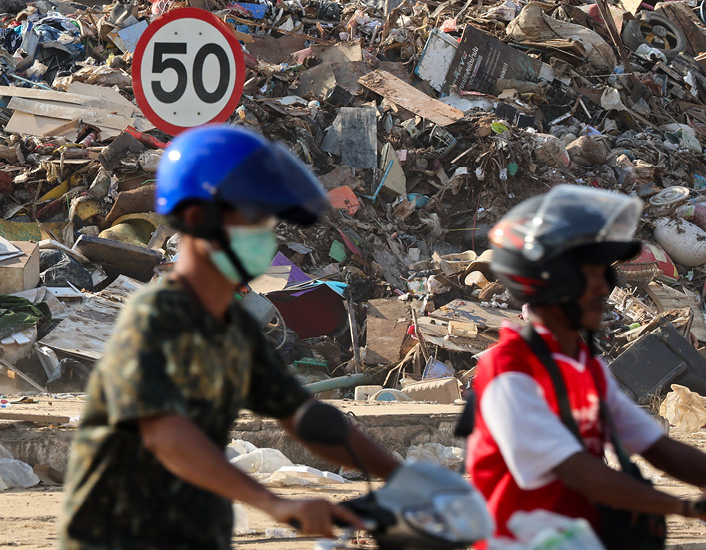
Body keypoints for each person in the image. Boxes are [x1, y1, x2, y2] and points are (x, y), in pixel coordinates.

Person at [59, 125, 401, 550]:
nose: (263, 233)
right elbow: (169, 438)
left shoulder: (231, 325)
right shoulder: (159, 317)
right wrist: (276, 505)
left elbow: (301, 417)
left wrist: (399, 474)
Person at [467, 184, 706, 547]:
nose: (602, 287)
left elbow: (655, 446)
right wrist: (679, 505)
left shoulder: (585, 369)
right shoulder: (510, 370)